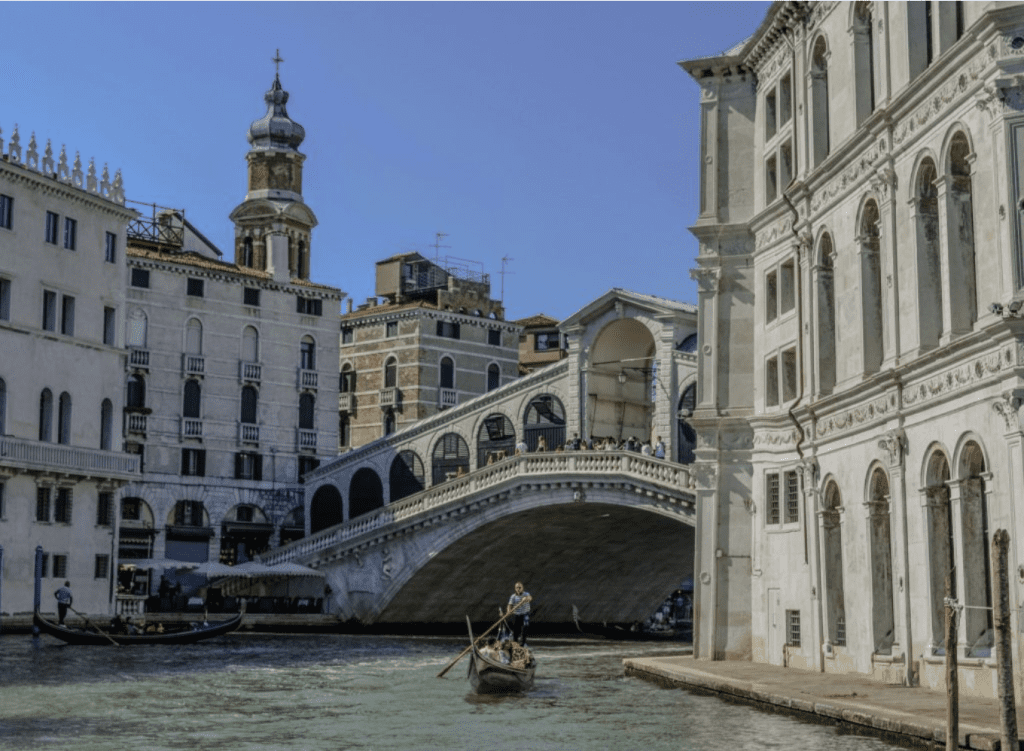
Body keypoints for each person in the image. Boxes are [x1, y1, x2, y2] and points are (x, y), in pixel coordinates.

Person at [506, 581, 533, 646]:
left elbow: (530, 598)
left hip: (525, 614)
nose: (518, 589)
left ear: (522, 588)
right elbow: (509, 605)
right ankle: (515, 643)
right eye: (517, 588)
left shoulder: (526, 594)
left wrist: (526, 599)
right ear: (515, 588)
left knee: (525, 626)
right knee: (516, 629)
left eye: (520, 587)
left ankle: (522, 643)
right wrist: (509, 611)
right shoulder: (513, 596)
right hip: (516, 614)